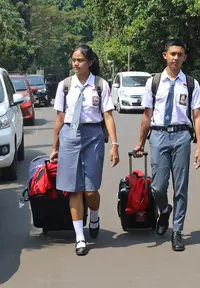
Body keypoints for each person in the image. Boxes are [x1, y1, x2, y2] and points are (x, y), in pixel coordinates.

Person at [132, 39, 200, 252]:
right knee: (158, 187)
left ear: (185, 57)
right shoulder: (154, 82)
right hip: (158, 136)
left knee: (181, 187)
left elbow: (197, 116)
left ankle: (177, 231)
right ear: (165, 55)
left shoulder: (191, 83)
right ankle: (164, 210)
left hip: (182, 136)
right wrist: (140, 141)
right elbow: (147, 115)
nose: (176, 58)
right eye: (172, 53)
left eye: (180, 54)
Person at [50, 44, 120, 256]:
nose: (76, 64)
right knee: (74, 189)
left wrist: (114, 145)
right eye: (73, 60)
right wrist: (55, 147)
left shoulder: (100, 85)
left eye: (80, 60)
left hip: (93, 137)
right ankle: (80, 237)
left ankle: (95, 216)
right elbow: (60, 118)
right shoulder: (65, 85)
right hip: (70, 136)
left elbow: (108, 115)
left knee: (90, 189)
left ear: (90, 62)